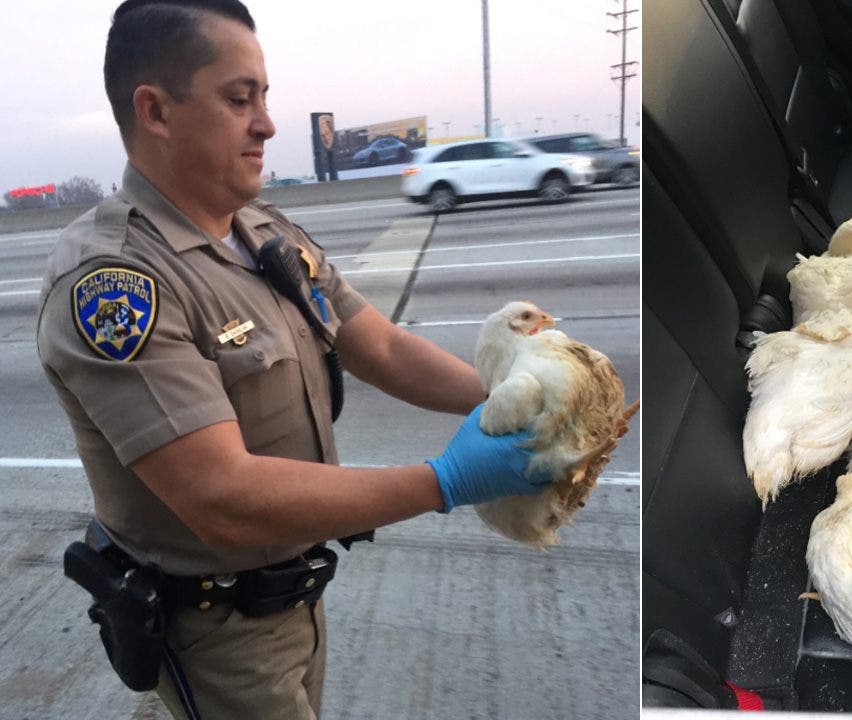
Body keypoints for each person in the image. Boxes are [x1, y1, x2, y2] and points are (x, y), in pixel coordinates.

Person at [34, 1, 547, 718]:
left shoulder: (263, 230)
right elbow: (224, 497)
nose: (268, 123)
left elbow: (381, 345)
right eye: (239, 98)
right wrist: (448, 481)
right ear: (156, 111)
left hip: (296, 599)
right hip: (216, 633)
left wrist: (515, 397)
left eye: (264, 96)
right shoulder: (116, 284)